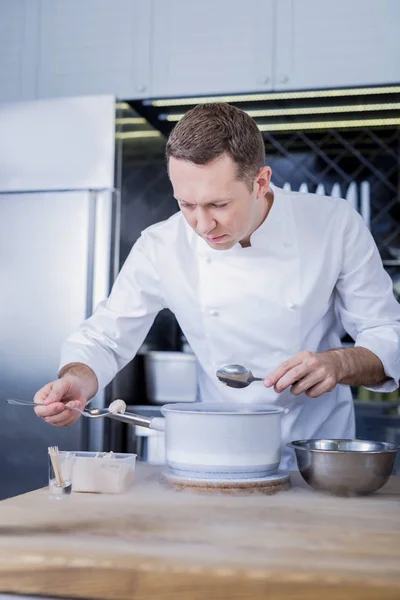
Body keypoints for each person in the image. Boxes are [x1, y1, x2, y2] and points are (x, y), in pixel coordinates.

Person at [34, 103, 400, 469]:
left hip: (316, 454)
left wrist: (340, 362)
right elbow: (105, 337)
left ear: (261, 182)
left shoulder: (333, 224)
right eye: (185, 204)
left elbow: (386, 330)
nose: (202, 224)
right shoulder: (162, 244)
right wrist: (77, 380)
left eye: (219, 204)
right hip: (217, 452)